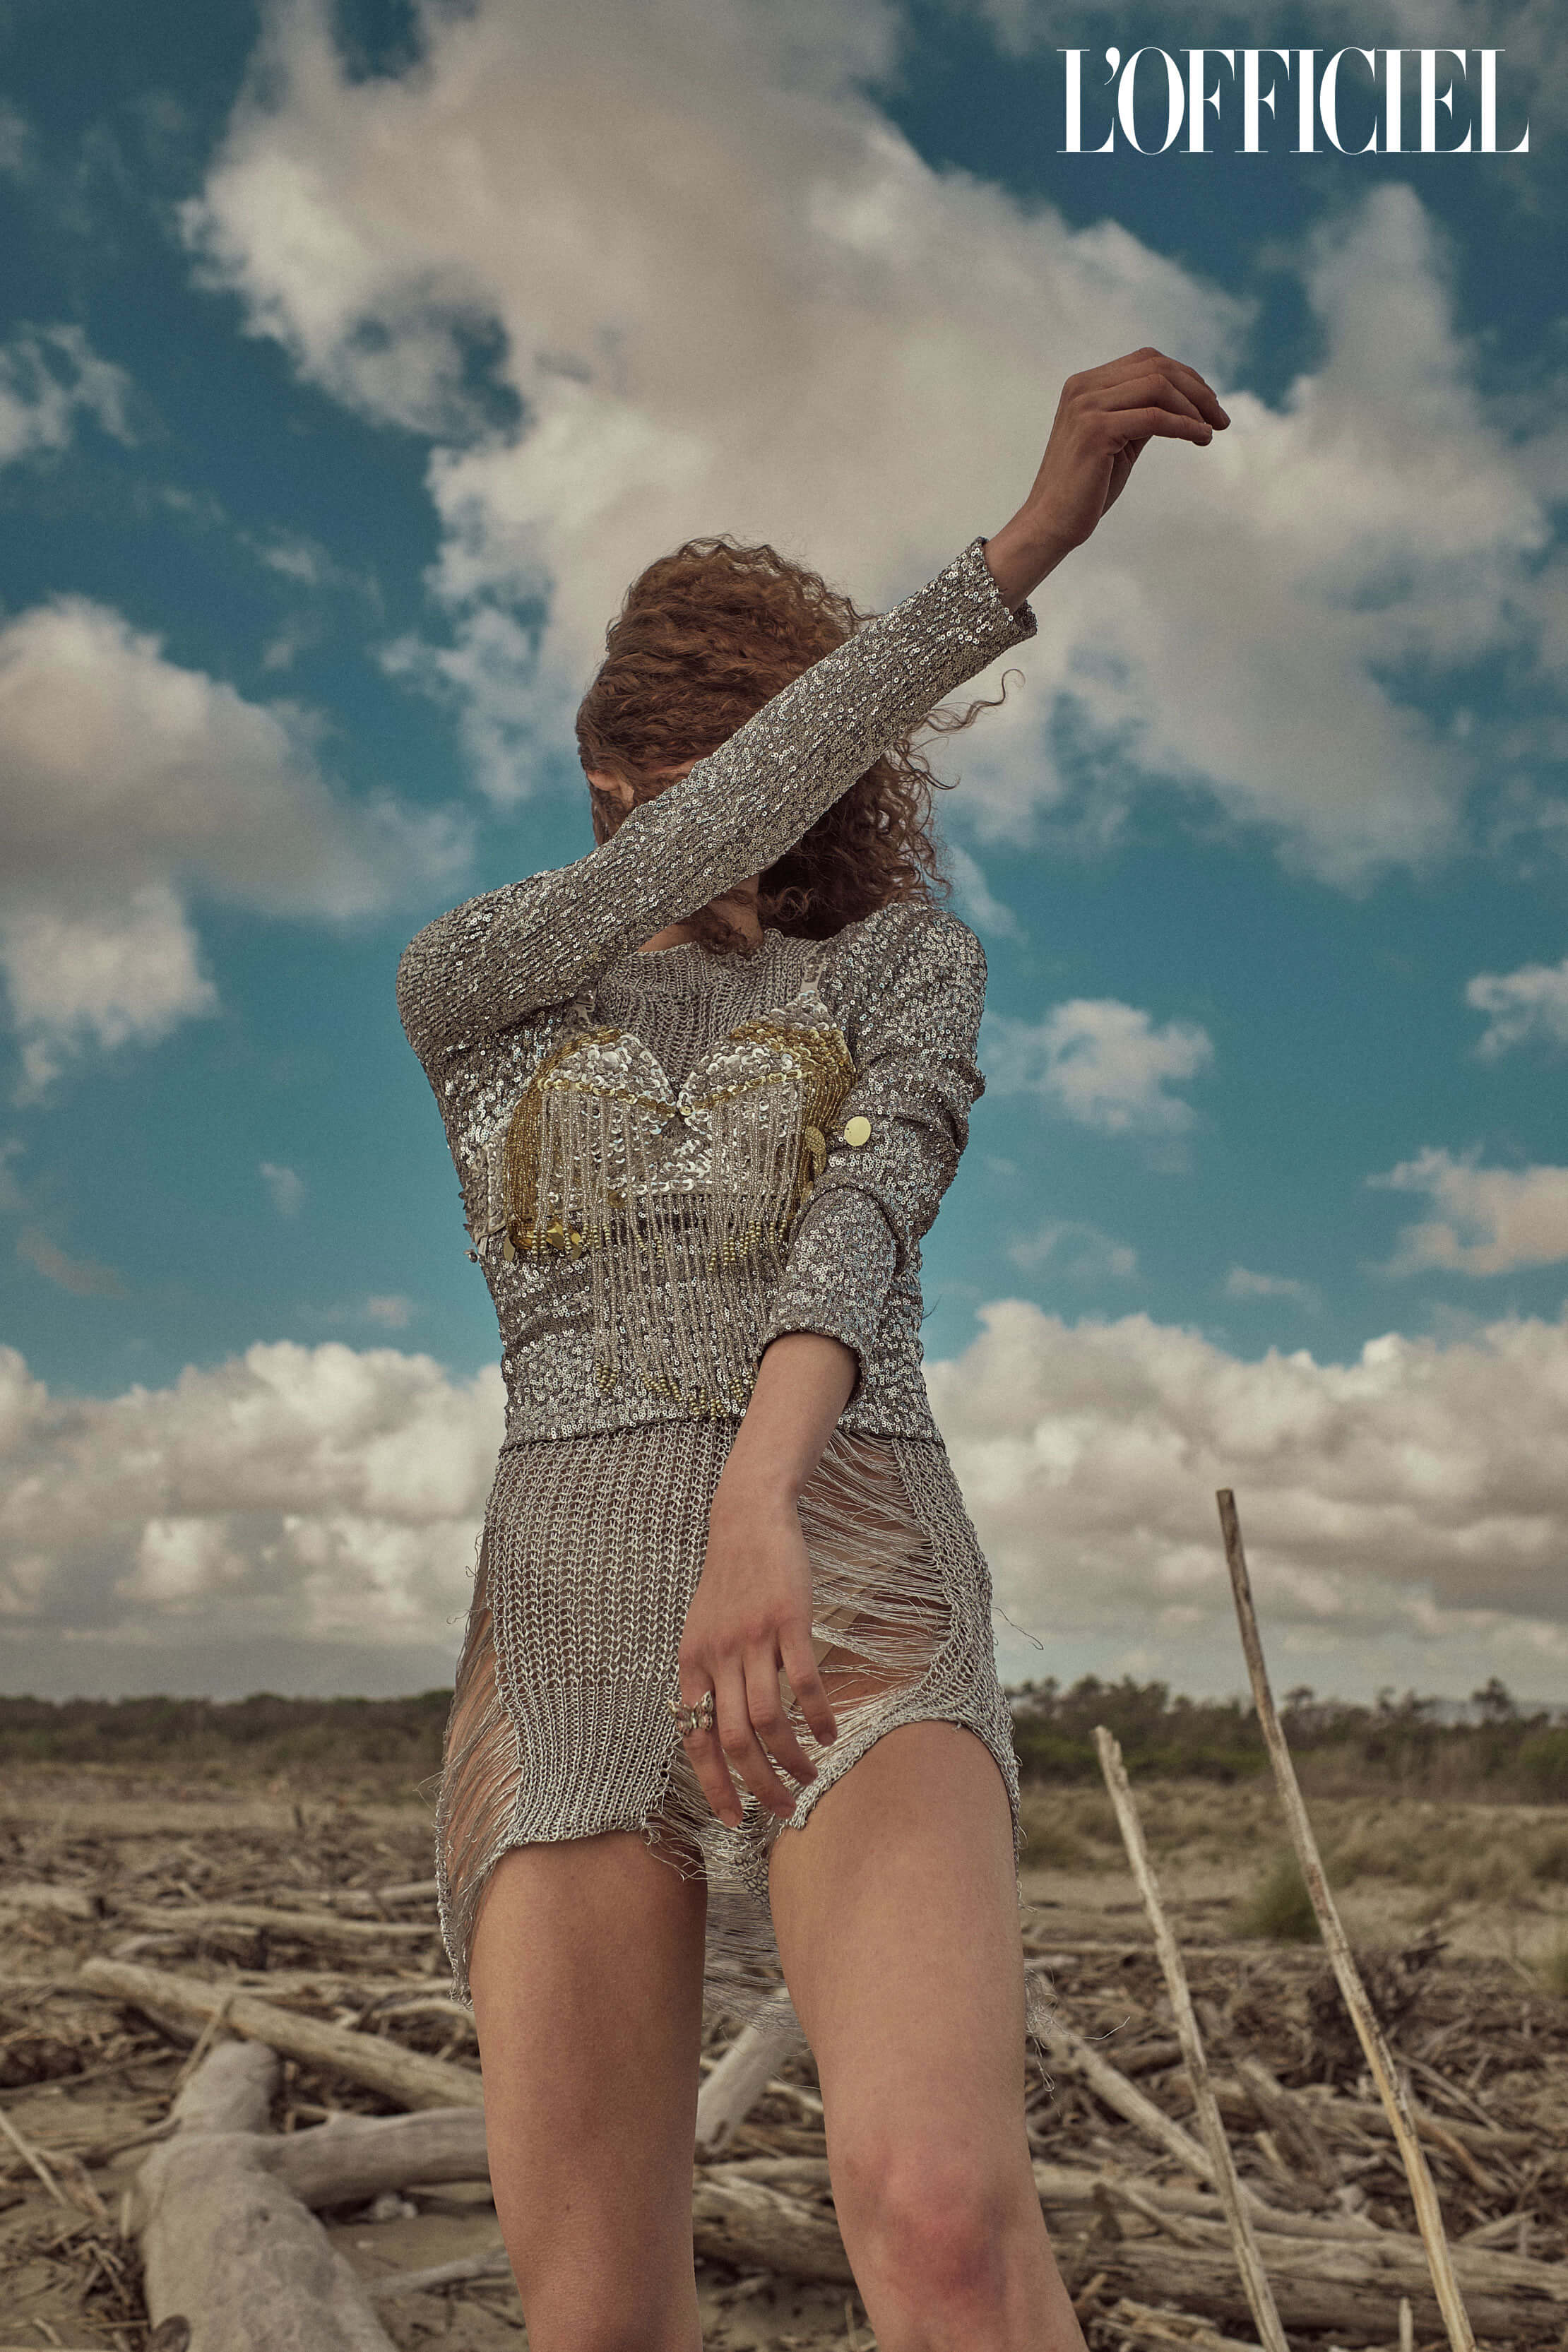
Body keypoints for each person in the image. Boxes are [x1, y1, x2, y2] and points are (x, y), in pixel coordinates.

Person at [396, 346, 1230, 2352]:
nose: (758, 803)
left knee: (939, 2217)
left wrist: (760, 1496)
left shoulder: (900, 964)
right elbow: (700, 838)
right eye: (705, 765)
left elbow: (867, 1220)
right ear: (613, 776)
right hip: (568, 1621)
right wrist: (1013, 555)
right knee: (598, 2322)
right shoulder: (473, 981)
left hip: (847, 1558)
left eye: (793, 753)